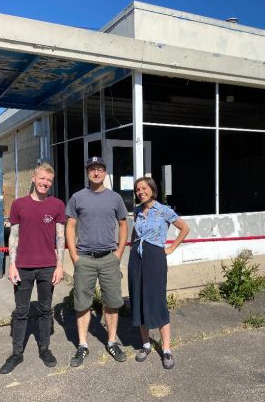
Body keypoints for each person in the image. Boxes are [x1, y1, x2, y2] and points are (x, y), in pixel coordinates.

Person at [0, 162, 66, 374]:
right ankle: (17, 353)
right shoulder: (19, 204)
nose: (45, 183)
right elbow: (14, 236)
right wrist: (12, 265)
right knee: (21, 311)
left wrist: (60, 265)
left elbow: (60, 238)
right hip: (23, 267)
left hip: (48, 266)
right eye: (42, 179)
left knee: (46, 309)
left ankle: (45, 349)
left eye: (49, 180)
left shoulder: (57, 205)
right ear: (33, 179)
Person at [65, 156, 128, 367]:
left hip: (109, 258)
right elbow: (70, 227)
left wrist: (118, 253)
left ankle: (111, 341)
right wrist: (74, 257)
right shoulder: (77, 197)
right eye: (92, 169)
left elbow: (123, 225)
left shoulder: (115, 198)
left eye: (100, 169)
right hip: (85, 259)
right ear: (87, 173)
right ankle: (82, 345)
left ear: (105, 172)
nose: (96, 172)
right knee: (82, 304)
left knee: (112, 302)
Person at [128, 177, 189, 369]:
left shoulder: (163, 210)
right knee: (138, 299)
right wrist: (132, 249)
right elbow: (134, 234)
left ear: (152, 190)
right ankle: (146, 344)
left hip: (155, 257)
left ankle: (167, 349)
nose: (140, 192)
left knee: (157, 300)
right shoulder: (137, 211)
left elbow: (184, 228)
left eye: (144, 188)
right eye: (137, 189)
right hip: (137, 257)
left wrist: (170, 249)